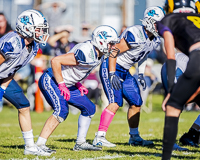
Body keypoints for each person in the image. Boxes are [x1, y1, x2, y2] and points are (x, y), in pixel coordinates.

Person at [35, 25, 120, 153]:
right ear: (101, 41)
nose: (113, 47)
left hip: (68, 83)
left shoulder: (99, 52)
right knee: (61, 110)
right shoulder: (86, 52)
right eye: (111, 43)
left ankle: (80, 143)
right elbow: (55, 61)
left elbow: (76, 69)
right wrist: (62, 84)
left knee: (89, 108)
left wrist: (78, 83)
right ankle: (39, 145)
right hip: (52, 80)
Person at [92, 6, 165, 147]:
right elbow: (114, 51)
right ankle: (99, 137)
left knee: (136, 102)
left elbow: (144, 54)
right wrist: (112, 73)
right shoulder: (136, 33)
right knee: (115, 102)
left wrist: (141, 73)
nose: (161, 26)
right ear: (149, 21)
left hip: (125, 70)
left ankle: (134, 137)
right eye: (158, 23)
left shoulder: (154, 39)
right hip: (112, 65)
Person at [0, 9, 50, 156]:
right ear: (27, 28)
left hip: (4, 77)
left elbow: (12, 68)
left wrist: (3, 87)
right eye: (39, 29)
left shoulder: (33, 47)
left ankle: (30, 146)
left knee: (24, 105)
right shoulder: (12, 42)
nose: (42, 32)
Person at [156, 0, 200, 159]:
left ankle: (166, 156)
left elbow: (170, 56)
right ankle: (192, 135)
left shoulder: (169, 20)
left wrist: (171, 92)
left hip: (196, 59)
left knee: (173, 106)